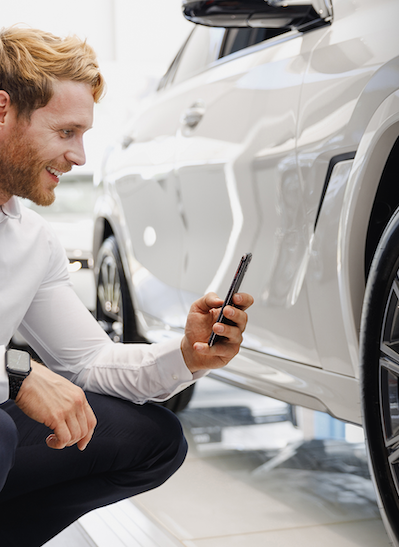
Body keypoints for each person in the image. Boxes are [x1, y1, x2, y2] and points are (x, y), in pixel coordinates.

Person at [0, 25, 254, 545]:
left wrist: (187, 356)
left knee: (154, 439)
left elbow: (89, 362)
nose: (80, 157)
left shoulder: (31, 241)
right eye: (66, 132)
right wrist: (19, 374)